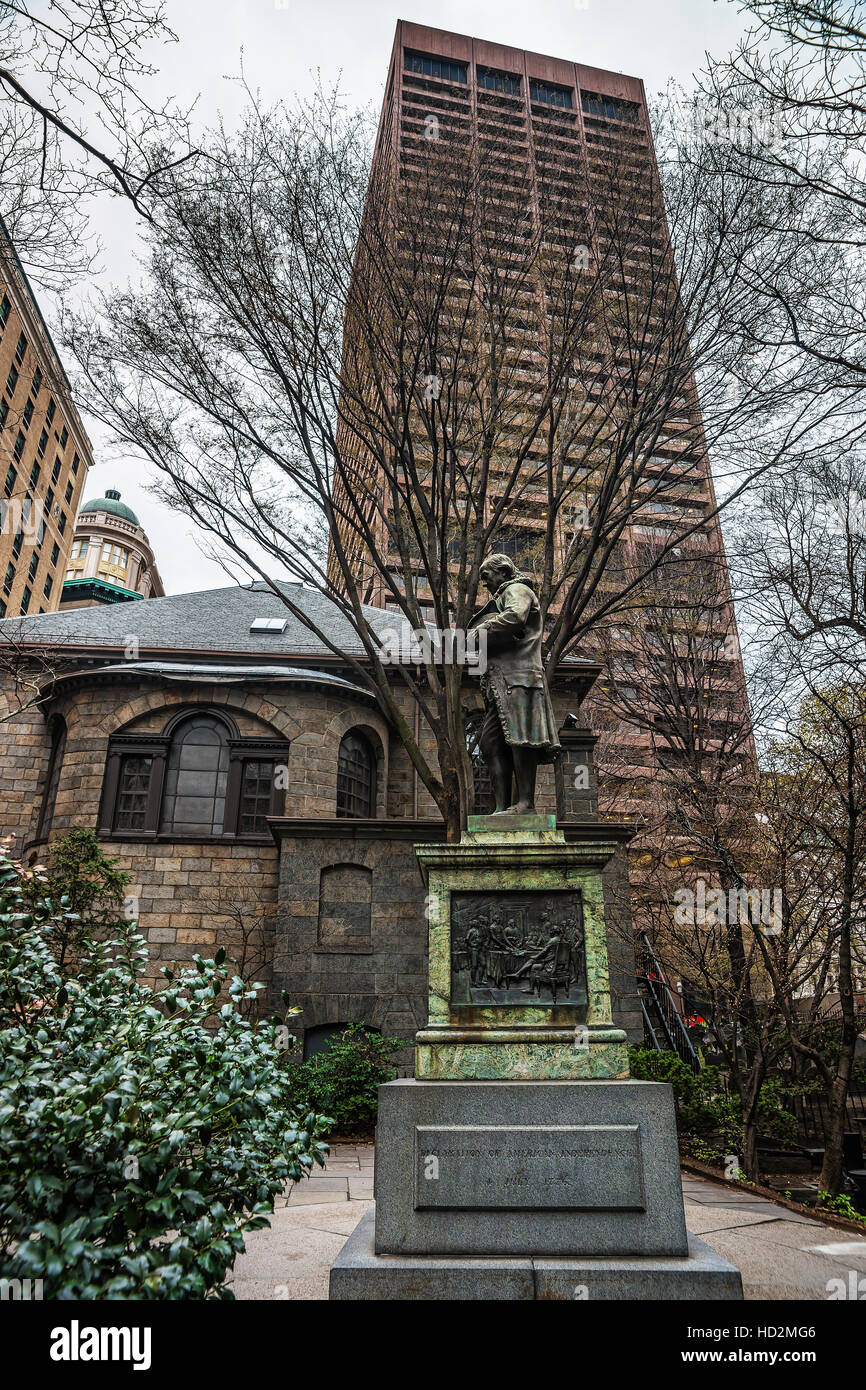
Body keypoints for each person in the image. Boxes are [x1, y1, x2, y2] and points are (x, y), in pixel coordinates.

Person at [469, 552, 561, 814]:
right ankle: (502, 808)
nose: (484, 584)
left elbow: (515, 618)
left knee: (521, 740)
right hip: (502, 683)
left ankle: (525, 804)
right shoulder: (502, 595)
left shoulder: (516, 589)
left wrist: (476, 634)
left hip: (520, 678)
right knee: (489, 744)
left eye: (487, 577)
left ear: (504, 572)